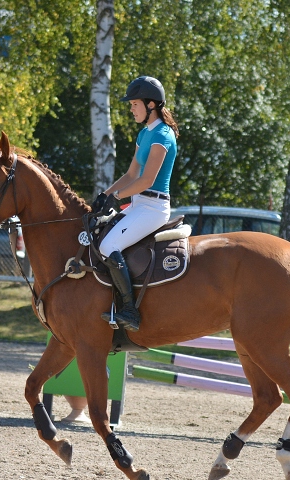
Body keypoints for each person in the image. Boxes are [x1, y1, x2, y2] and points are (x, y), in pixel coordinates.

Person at [91, 75, 179, 332]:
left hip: (154, 208)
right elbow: (130, 175)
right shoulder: (144, 134)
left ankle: (130, 311)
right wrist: (104, 194)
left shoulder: (163, 134)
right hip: (139, 204)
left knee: (108, 245)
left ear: (151, 104)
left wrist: (116, 197)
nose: (131, 109)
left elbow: (147, 179)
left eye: (134, 104)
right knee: (101, 236)